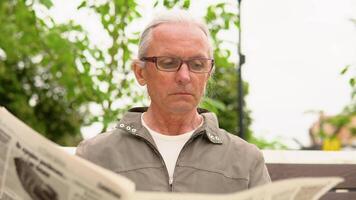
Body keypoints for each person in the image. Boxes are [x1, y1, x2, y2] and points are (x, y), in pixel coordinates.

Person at [76, 9, 271, 193]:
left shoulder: (245, 160)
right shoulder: (95, 155)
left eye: (197, 64)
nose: (184, 76)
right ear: (140, 72)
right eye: (168, 63)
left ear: (208, 73)